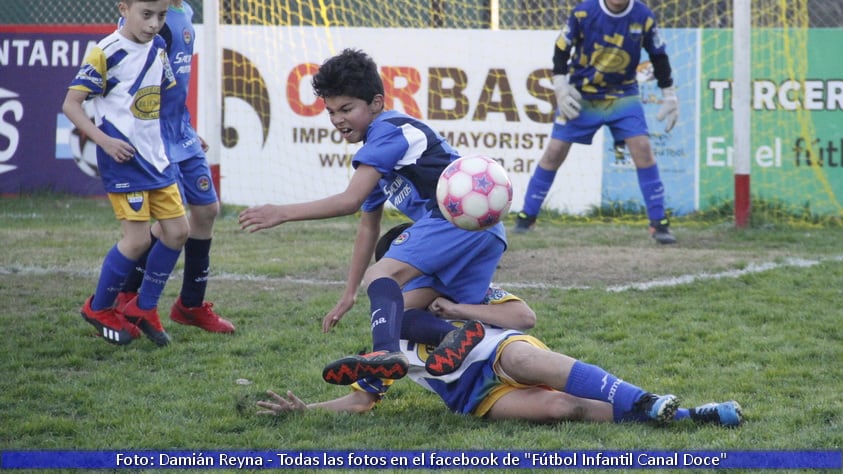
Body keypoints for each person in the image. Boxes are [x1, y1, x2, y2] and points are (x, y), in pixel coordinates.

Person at [238, 49, 507, 384]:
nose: (337, 119)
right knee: (401, 310)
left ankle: (385, 353)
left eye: (346, 109)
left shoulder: (388, 132)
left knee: (383, 275)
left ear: (376, 104)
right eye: (331, 111)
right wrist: (349, 293)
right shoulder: (379, 154)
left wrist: (281, 212)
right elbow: (367, 225)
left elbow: (350, 201)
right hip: (484, 234)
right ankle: (457, 336)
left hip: (456, 223)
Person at [255, 290, 743, 427]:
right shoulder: (385, 346)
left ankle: (659, 403)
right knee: (560, 409)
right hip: (474, 396)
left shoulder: (464, 291)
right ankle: (678, 417)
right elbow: (360, 404)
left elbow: (524, 315)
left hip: (501, 351)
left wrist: (459, 310)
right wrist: (307, 411)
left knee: (531, 364)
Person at [63, 0, 189, 346]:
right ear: (123, 8)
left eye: (161, 16)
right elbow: (71, 105)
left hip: (157, 159)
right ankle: (99, 307)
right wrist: (104, 141)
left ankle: (143, 307)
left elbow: (159, 102)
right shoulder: (107, 51)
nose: (154, 24)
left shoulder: (160, 45)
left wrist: (184, 133)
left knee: (178, 232)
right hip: (125, 162)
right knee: (136, 240)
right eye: (146, 15)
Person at [514, 0, 679, 244]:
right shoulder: (583, 12)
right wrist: (560, 85)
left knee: (643, 149)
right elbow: (561, 49)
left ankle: (659, 224)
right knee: (554, 152)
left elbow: (658, 55)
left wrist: (669, 93)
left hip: (623, 95)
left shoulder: (643, 15)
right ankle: (526, 218)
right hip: (583, 95)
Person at [115, 0, 235, 334]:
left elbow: (170, 79)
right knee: (168, 225)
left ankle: (190, 305)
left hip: (180, 130)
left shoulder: (182, 11)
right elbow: (130, 75)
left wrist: (186, 129)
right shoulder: (148, 15)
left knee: (207, 210)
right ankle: (126, 296)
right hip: (153, 135)